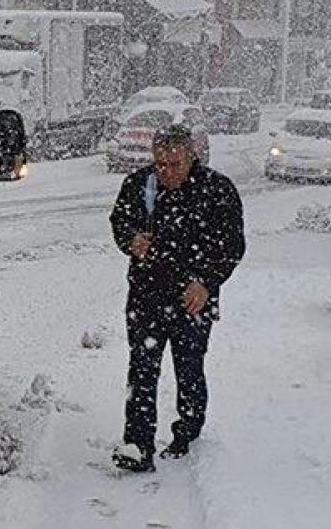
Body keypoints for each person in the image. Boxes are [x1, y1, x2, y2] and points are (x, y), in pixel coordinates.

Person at [109, 124, 245, 472]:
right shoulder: (139, 185)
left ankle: (187, 430)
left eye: (175, 164)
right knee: (142, 369)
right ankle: (137, 443)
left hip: (192, 299)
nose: (167, 172)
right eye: (160, 165)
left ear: (191, 158)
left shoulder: (217, 190)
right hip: (146, 295)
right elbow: (119, 220)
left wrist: (206, 282)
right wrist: (131, 239)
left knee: (189, 369)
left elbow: (231, 246)